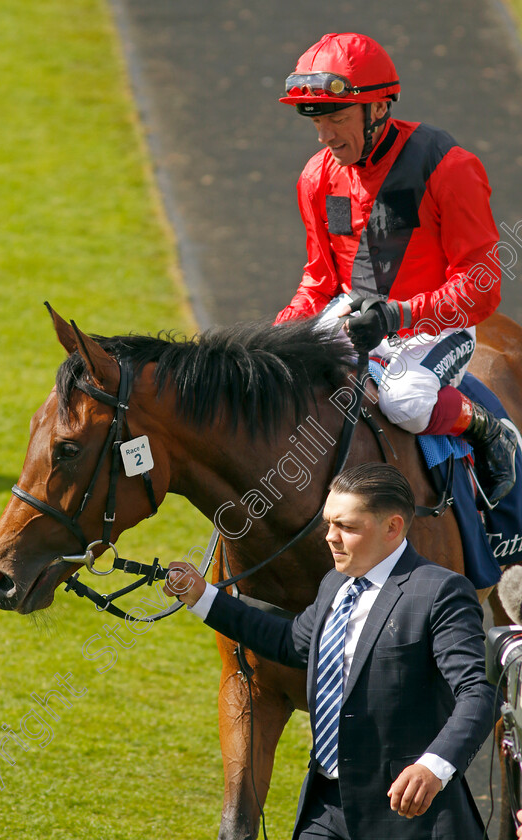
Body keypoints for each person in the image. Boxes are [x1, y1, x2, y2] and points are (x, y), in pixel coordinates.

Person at [165, 462, 495, 840]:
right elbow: (291, 642)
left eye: (347, 527)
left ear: (393, 528)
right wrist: (203, 596)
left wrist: (434, 767)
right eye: (329, 523)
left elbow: (476, 693)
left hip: (405, 816)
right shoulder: (335, 583)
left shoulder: (441, 592)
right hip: (324, 809)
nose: (330, 537)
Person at [274, 32, 516, 508]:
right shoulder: (317, 177)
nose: (324, 137)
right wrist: (278, 338)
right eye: (317, 123)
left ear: (379, 109)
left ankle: (489, 431)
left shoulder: (449, 167)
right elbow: (320, 282)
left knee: (404, 401)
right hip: (354, 315)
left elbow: (481, 289)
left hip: (435, 327)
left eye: (337, 119)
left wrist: (397, 315)